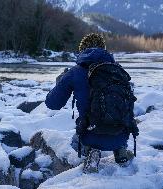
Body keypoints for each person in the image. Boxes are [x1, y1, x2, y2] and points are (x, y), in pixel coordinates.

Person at [45, 33, 139, 174]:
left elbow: (52, 104)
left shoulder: (74, 72)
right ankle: (120, 151)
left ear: (81, 50)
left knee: (75, 139)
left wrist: (61, 82)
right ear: (104, 49)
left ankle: (91, 152)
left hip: (90, 135)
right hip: (120, 134)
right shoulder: (117, 70)